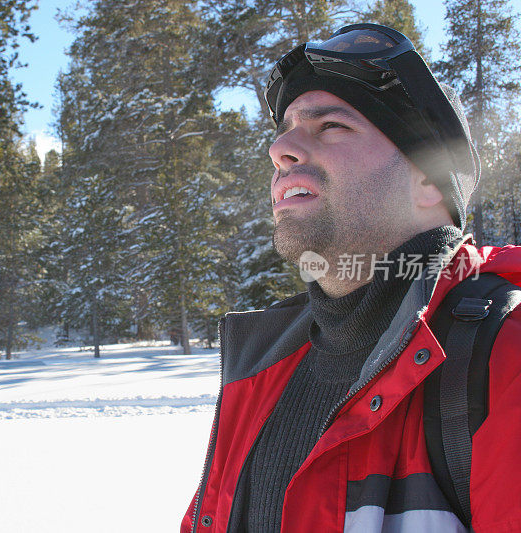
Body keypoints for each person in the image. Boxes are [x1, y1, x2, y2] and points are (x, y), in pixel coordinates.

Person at [181, 23, 521, 532]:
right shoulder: (264, 369)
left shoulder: (502, 355)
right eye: (283, 132)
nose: (281, 150)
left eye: (331, 126)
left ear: (428, 180)